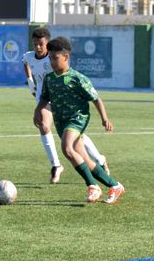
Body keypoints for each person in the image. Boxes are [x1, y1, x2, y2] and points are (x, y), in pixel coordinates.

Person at [33, 37, 125, 204]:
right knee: (85, 159)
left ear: (66, 57)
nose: (52, 62)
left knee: (67, 148)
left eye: (55, 58)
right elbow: (44, 98)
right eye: (50, 58)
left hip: (77, 118)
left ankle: (92, 186)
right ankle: (115, 186)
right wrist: (37, 111)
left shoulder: (77, 78)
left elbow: (95, 98)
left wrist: (104, 119)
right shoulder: (49, 78)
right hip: (61, 121)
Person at [23, 27, 109, 184]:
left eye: (41, 44)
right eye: (35, 44)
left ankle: (99, 159)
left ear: (48, 44)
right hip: (44, 99)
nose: (38, 47)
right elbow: (26, 62)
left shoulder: (55, 58)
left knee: (73, 136)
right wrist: (30, 82)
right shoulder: (29, 56)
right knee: (44, 126)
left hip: (61, 100)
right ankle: (56, 165)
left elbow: (69, 74)